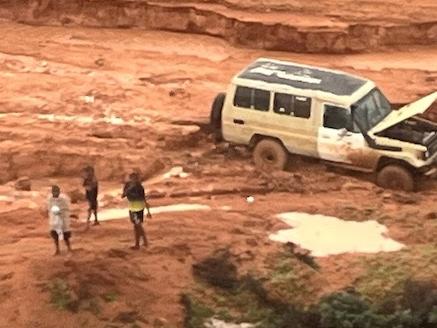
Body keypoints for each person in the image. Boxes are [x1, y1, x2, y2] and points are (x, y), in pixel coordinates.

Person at [122, 172, 152, 250]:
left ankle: (140, 243)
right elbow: (123, 195)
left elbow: (143, 198)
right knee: (137, 225)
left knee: (137, 225)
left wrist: (148, 211)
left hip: (137, 207)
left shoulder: (139, 187)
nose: (134, 180)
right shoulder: (128, 185)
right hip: (133, 207)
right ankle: (142, 242)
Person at [48, 185, 72, 255]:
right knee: (55, 235)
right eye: (54, 191)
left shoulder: (63, 199)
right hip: (54, 220)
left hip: (63, 219)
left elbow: (66, 208)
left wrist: (60, 212)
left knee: (65, 236)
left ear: (59, 191)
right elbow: (49, 207)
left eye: (56, 191)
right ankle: (57, 250)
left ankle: (69, 248)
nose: (55, 193)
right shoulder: (50, 199)